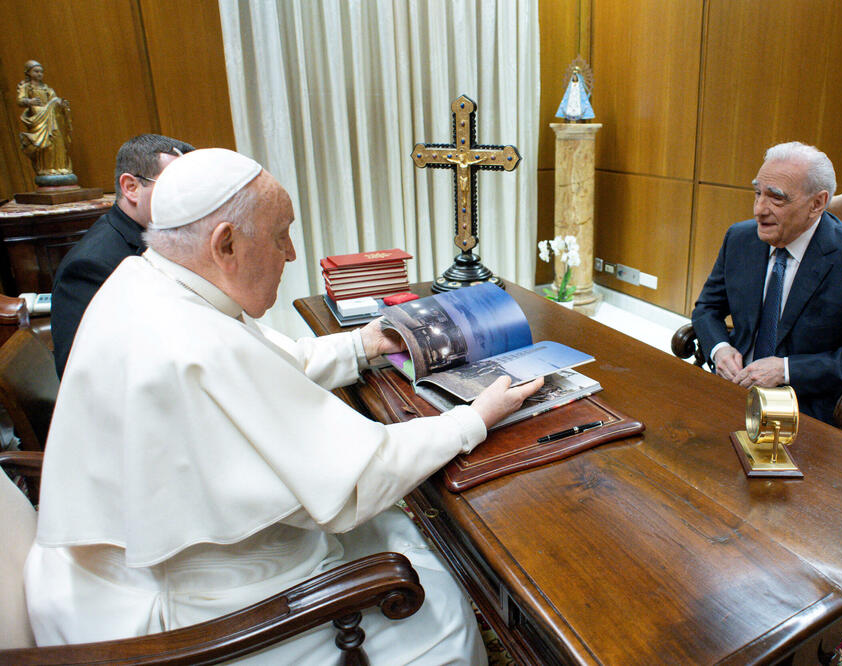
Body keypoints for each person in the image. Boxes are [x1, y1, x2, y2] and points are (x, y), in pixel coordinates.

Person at [25, 148, 542, 663]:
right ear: (224, 244)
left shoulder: (148, 280)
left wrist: (363, 344)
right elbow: (357, 479)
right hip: (196, 611)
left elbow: (269, 364)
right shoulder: (191, 339)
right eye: (280, 236)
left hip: (124, 570)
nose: (291, 254)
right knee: (445, 615)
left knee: (403, 530)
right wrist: (473, 418)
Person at [691, 141, 842, 428]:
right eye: (757, 193)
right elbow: (707, 308)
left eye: (776, 199)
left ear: (817, 203)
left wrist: (786, 370)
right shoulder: (740, 238)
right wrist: (720, 349)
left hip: (808, 403)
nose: (759, 210)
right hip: (733, 387)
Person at [50, 134, 195, 377]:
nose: (191, 200)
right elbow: (82, 373)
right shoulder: (89, 266)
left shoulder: (168, 234)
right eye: (176, 187)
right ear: (131, 187)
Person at [16, 60, 74, 185]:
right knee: (46, 144)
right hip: (39, 118)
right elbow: (20, 101)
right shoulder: (26, 87)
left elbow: (54, 100)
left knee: (56, 139)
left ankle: (59, 167)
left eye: (41, 71)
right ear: (28, 72)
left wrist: (61, 103)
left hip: (51, 119)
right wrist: (29, 102)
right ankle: (47, 169)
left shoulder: (47, 88)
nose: (39, 74)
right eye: (36, 71)